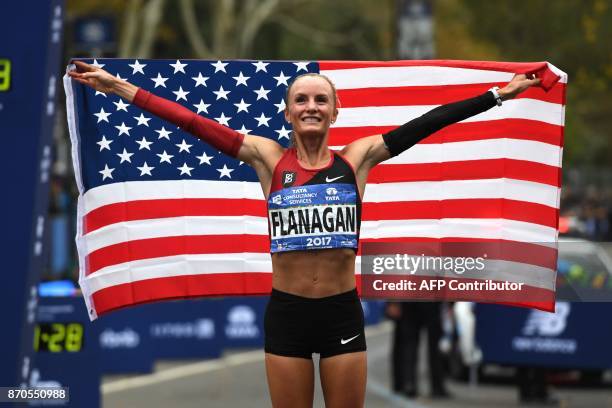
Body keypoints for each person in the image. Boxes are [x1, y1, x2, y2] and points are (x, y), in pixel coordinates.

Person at [69, 60, 540, 407]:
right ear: (288, 113)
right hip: (288, 314)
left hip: (340, 313)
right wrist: (119, 88)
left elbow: (428, 123)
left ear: (335, 112)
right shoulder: (267, 158)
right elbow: (192, 123)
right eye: (302, 100)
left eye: (320, 100)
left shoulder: (356, 159)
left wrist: (498, 94)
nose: (311, 106)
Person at [387, 301, 449, 398]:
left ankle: (436, 386)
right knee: (409, 343)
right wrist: (393, 302)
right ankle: (409, 383)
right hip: (411, 299)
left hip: (431, 298)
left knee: (435, 345)